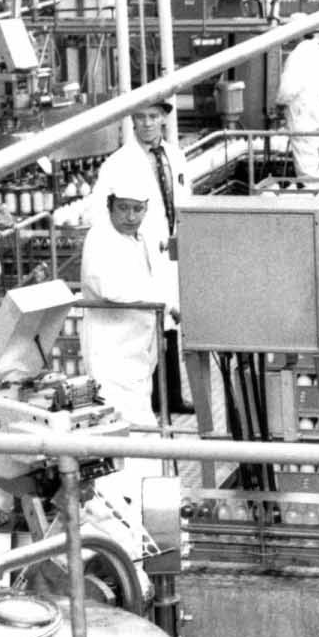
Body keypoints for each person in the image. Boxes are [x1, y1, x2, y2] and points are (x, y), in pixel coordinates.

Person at [88, 99, 192, 415]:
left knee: (168, 322)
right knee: (153, 319)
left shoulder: (174, 156)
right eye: (141, 117)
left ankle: (172, 396)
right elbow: (101, 211)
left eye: (153, 117)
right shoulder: (117, 163)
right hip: (140, 248)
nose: (147, 123)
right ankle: (160, 398)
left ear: (163, 119)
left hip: (170, 247)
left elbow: (184, 199)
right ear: (132, 121)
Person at [80, 193, 176, 428]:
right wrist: (163, 303)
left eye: (137, 209)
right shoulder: (100, 237)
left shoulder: (140, 237)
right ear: (109, 207)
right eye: (123, 208)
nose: (131, 217)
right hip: (111, 352)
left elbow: (154, 279)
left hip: (138, 352)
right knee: (123, 423)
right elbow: (108, 288)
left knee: (139, 417)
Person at [275, 18, 319, 178]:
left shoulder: (297, 55)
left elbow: (288, 88)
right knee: (311, 152)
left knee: (306, 162)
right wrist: (314, 91)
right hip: (315, 108)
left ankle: (315, 191)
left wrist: (279, 102)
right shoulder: (316, 50)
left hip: (301, 113)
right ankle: (318, 187)